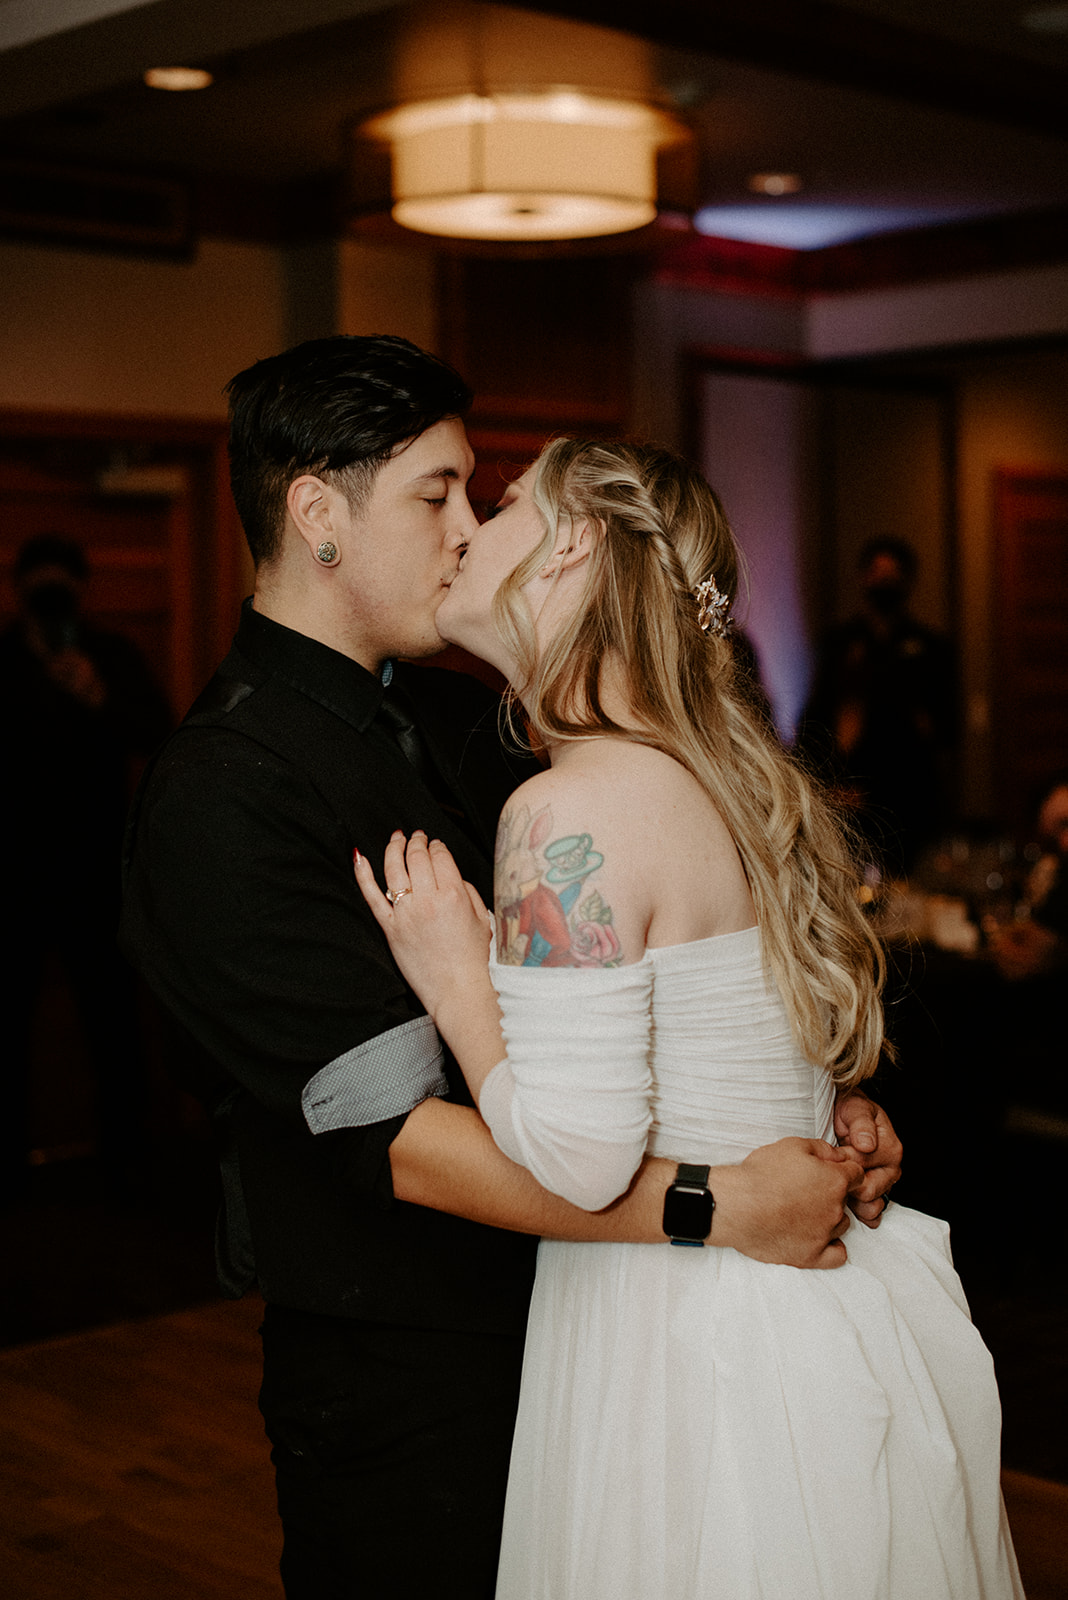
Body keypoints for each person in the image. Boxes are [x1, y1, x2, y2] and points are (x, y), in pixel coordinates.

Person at [119, 336, 901, 1599]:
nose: (468, 529)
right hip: (413, 1378)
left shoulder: (470, 723)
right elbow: (404, 1143)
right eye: (437, 494)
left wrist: (790, 1109)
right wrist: (719, 1202)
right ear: (316, 511)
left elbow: (640, 977)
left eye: (480, 496)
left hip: (595, 1333)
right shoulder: (223, 790)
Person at [356, 438, 1022, 1599]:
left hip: (687, 1342)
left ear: (572, 544)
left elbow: (579, 1154)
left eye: (503, 500)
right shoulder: (731, 780)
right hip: (817, 1314)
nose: (467, 527)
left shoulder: (565, 809)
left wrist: (456, 979)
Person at [0, 532, 171, 1202]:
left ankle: (128, 1163)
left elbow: (159, 731)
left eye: (61, 592)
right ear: (17, 592)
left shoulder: (110, 655)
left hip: (96, 872)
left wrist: (97, 694)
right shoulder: (2, 660)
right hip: (11, 878)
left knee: (112, 1021)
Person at [798, 536, 958, 876]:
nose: (884, 582)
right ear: (862, 578)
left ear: (908, 581)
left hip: (911, 797)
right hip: (851, 797)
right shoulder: (841, 645)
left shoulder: (930, 648)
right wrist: (830, 783)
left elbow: (945, 729)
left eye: (893, 575)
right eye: (876, 573)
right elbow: (818, 722)